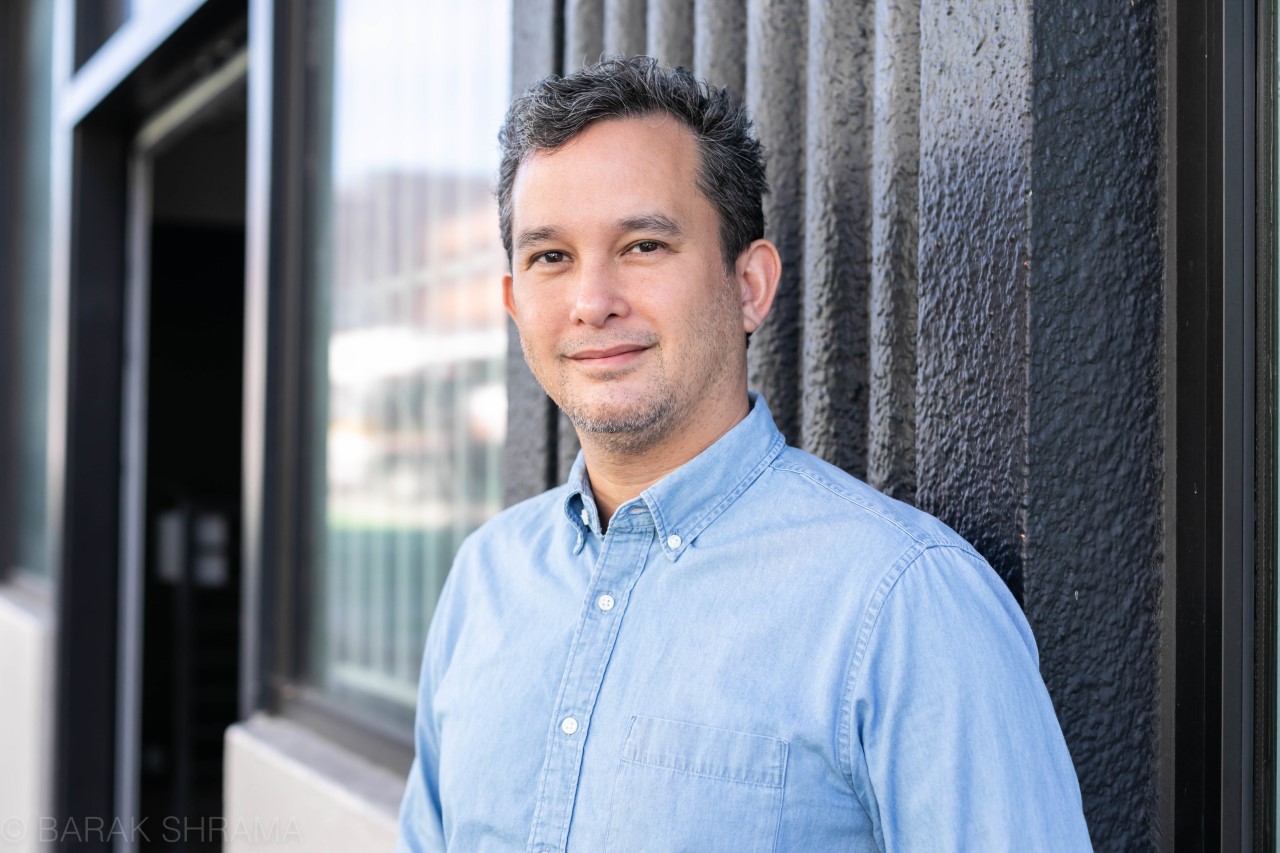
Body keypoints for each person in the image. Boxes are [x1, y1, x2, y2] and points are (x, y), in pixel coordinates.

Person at [396, 56, 1092, 852]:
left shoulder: (904, 602)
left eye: (645, 244)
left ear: (750, 285)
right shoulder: (484, 581)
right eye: (551, 256)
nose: (592, 302)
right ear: (516, 303)